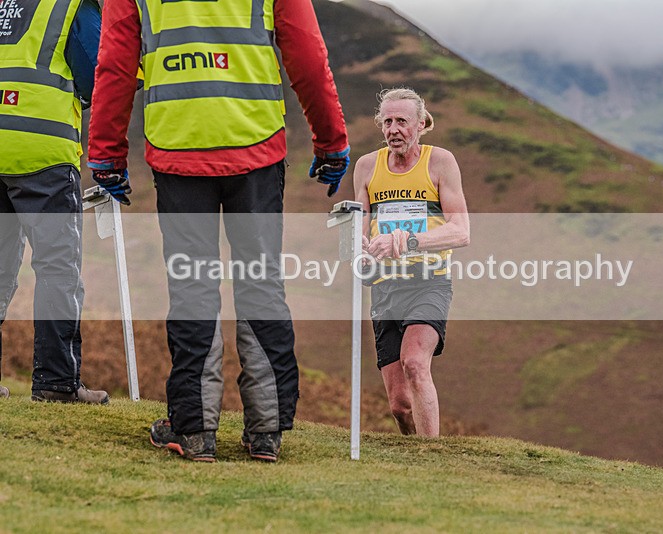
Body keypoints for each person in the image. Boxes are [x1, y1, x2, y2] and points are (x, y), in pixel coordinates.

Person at [88, 0, 349, 461]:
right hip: (256, 148)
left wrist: (106, 152)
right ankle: (266, 430)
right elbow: (307, 54)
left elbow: (115, 62)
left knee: (192, 287)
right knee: (261, 283)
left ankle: (194, 430)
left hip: (178, 147)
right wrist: (331, 141)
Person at [0, 0, 109, 404]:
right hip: (41, 151)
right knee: (57, 268)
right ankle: (56, 382)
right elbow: (97, 73)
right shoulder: (68, 6)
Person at [353, 87, 469, 437]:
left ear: (420, 124)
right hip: (385, 288)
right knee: (399, 406)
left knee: (416, 364)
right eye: (387, 121)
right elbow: (359, 228)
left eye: (401, 121)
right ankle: (413, 450)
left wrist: (411, 241)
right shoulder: (366, 167)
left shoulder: (440, 162)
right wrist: (358, 247)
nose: (393, 129)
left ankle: (432, 459)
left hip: (429, 282)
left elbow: (461, 231)